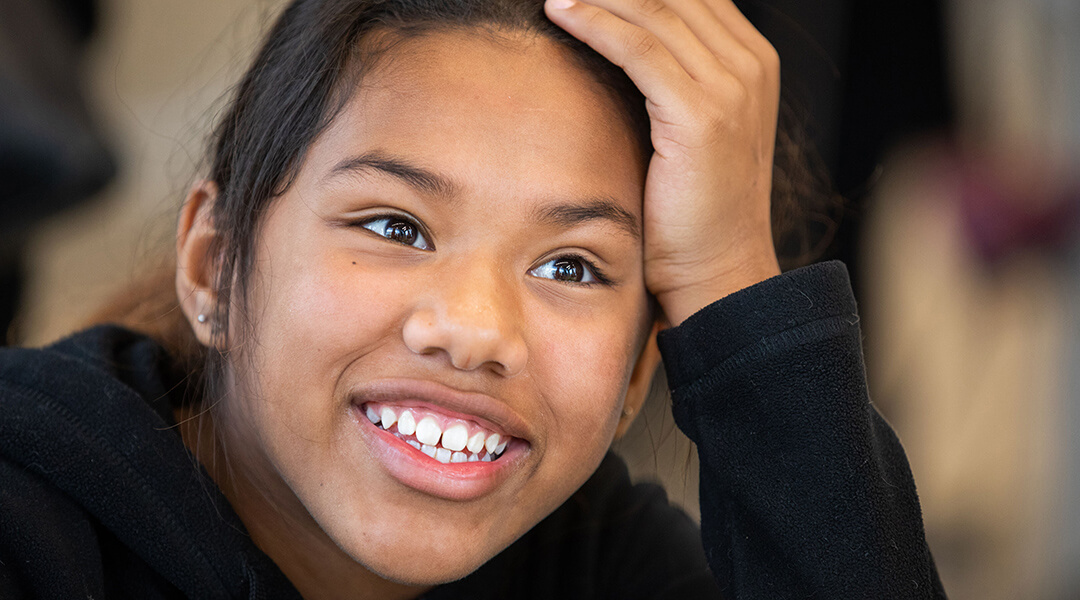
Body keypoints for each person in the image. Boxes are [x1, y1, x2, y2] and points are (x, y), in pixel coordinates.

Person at [0, 0, 947, 597]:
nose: (475, 331)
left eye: (571, 266)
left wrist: (732, 277)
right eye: (395, 226)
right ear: (213, 266)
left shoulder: (593, 559)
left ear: (635, 378)